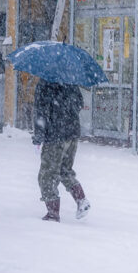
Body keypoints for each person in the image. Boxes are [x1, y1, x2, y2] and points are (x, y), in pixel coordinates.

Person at [32, 79, 91, 222]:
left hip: (55, 136)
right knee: (65, 171)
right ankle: (81, 200)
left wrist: (39, 135)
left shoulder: (45, 83)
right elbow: (79, 104)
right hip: (71, 134)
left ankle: (53, 213)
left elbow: (41, 112)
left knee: (47, 176)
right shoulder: (70, 81)